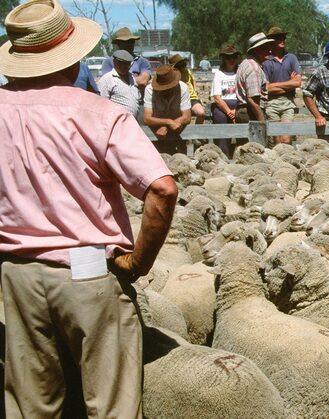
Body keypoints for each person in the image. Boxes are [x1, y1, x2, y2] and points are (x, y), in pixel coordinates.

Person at [0, 1, 178, 417]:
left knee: (31, 406)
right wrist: (137, 262)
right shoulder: (99, 114)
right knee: (110, 402)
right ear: (73, 54)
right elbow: (163, 189)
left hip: (17, 274)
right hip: (86, 268)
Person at [262, 26, 301, 146]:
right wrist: (289, 83)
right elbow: (266, 88)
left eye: (283, 37)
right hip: (271, 103)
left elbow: (297, 82)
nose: (282, 40)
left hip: (288, 102)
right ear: (271, 41)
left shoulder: (291, 58)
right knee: (276, 140)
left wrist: (275, 86)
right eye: (279, 38)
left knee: (286, 139)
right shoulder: (265, 61)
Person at [143, 64, 192, 154]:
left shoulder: (183, 87)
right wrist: (168, 122)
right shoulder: (149, 90)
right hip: (156, 129)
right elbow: (147, 118)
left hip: (177, 128)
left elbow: (187, 117)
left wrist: (166, 126)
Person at [211, 44, 244, 157]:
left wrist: (236, 110)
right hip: (223, 104)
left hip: (239, 103)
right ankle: (224, 154)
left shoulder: (241, 72)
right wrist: (229, 112)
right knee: (220, 118)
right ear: (223, 59)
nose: (231, 60)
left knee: (244, 117)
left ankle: (242, 153)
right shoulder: (218, 74)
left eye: (234, 57)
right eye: (228, 57)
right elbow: (217, 97)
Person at [236, 32, 274, 123]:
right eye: (265, 48)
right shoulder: (254, 68)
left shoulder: (245, 63)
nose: (269, 51)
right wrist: (261, 121)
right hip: (251, 113)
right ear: (256, 50)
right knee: (257, 136)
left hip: (245, 111)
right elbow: (253, 100)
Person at [100, 27, 151, 92]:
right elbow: (107, 83)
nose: (129, 44)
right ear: (118, 43)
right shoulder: (109, 62)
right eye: (126, 42)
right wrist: (135, 79)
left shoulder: (142, 62)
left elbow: (143, 81)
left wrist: (119, 81)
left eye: (132, 41)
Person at [97, 49, 142, 118]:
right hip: (117, 124)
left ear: (130, 65)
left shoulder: (132, 78)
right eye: (120, 63)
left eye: (126, 64)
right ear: (114, 62)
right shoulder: (106, 80)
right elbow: (102, 106)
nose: (123, 66)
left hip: (134, 123)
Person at [169, 53, 205, 124]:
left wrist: (195, 92)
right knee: (183, 118)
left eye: (183, 64)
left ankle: (197, 131)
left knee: (201, 113)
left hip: (192, 98)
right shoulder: (171, 75)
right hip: (178, 99)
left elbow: (193, 82)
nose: (182, 67)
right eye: (180, 66)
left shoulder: (188, 72)